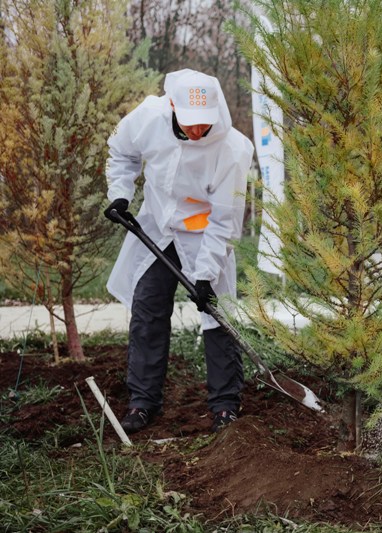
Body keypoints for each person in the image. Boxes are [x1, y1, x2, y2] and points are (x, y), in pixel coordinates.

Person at [104, 69, 254, 434]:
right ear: (172, 105)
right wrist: (120, 194)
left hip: (205, 237)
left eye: (204, 124)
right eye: (190, 124)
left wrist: (205, 276)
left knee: (218, 317)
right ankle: (142, 402)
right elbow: (121, 153)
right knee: (148, 310)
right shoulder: (148, 117)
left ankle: (224, 406)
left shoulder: (233, 149)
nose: (198, 132)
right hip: (157, 226)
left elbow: (225, 221)